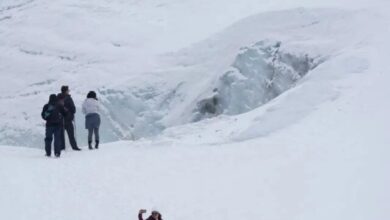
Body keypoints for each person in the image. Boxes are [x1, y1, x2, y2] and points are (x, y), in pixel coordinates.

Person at [59, 85, 81, 151]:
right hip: (68, 119)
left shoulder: (58, 98)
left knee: (61, 135)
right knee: (71, 135)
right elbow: (73, 109)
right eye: (68, 90)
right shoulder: (68, 98)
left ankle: (62, 148)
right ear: (66, 91)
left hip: (60, 120)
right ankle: (74, 147)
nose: (69, 91)